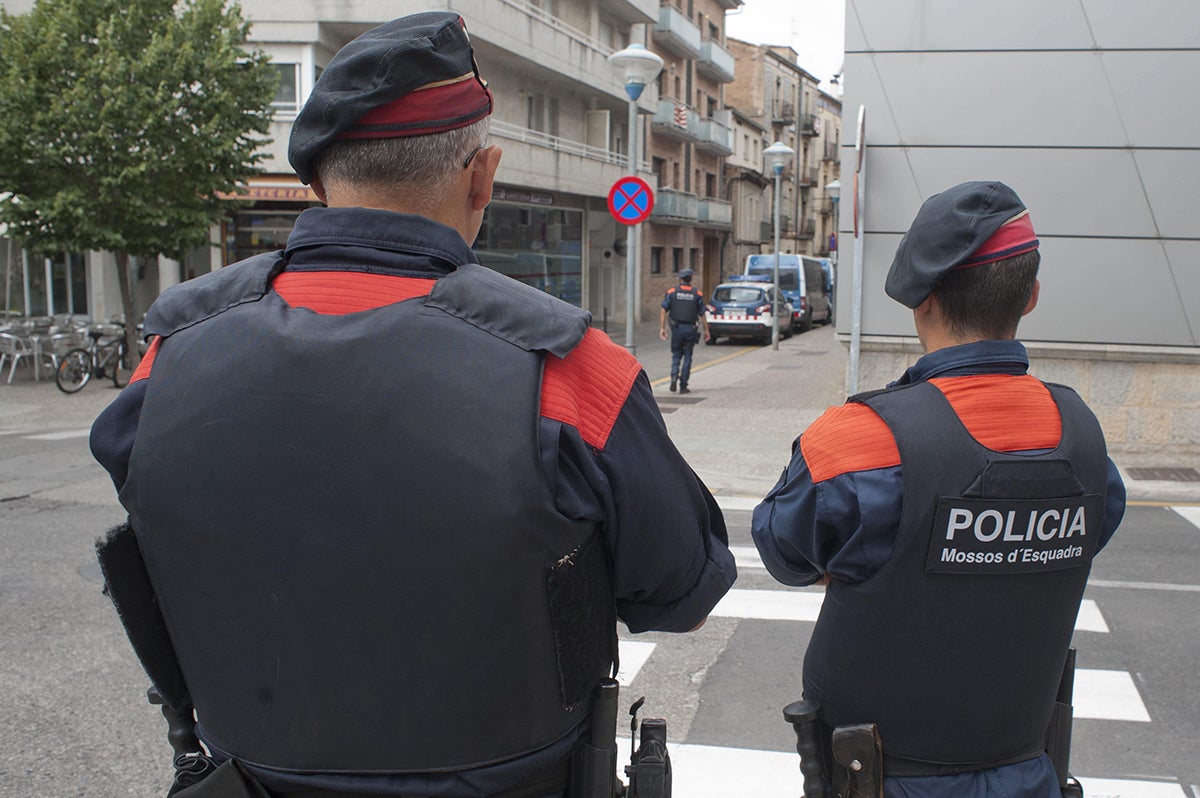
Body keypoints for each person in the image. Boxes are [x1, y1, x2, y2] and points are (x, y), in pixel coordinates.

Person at [90, 12, 736, 798]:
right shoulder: (572, 370)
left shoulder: (168, 358)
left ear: (317, 184)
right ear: (482, 176)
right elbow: (684, 598)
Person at [752, 181, 1125, 798]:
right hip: (1027, 767)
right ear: (1031, 296)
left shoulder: (858, 439)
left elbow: (785, 554)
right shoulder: (1082, 437)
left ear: (921, 300)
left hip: (878, 775)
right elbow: (1085, 537)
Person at [658, 268, 709, 393]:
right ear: (690, 278)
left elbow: (663, 310)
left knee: (676, 355)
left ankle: (674, 377)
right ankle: (683, 385)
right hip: (690, 329)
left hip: (677, 329)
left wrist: (662, 328)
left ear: (680, 279)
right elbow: (702, 314)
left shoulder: (672, 292)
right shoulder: (697, 294)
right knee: (688, 356)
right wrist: (706, 330)